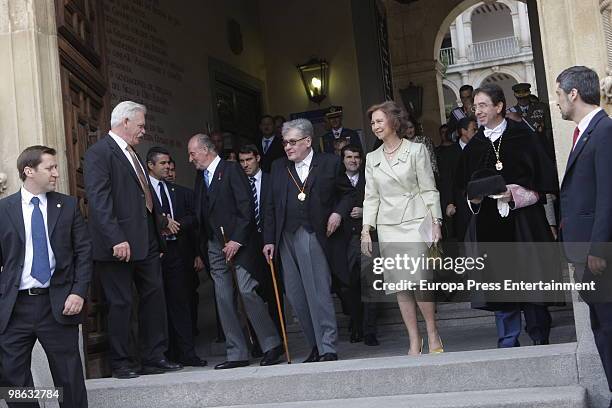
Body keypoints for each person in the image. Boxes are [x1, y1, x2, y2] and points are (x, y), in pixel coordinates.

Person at [83, 101, 182, 379]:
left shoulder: (134, 154)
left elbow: (143, 192)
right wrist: (116, 237)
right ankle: (122, 362)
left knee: (154, 298)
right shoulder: (99, 153)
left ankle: (154, 356)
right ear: (124, 122)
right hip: (118, 245)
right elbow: (99, 199)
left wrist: (160, 224)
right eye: (140, 124)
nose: (143, 129)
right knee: (122, 303)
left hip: (147, 241)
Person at [460, 84, 558, 348]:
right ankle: (507, 340)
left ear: (499, 106)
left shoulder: (524, 137)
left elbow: (544, 183)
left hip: (524, 221)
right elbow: (464, 191)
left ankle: (539, 335)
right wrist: (475, 200)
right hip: (490, 223)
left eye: (482, 105)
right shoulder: (473, 148)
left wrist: (514, 195)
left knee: (531, 279)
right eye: (475, 106)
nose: (477, 111)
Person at [0, 146, 91, 407]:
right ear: (29, 171)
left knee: (68, 378)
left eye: (55, 167)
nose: (56, 173)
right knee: (13, 379)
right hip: (14, 307)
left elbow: (84, 253)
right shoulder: (3, 209)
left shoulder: (68, 205)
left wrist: (78, 292)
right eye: (49, 168)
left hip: (58, 302)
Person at [188, 133, 283, 369]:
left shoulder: (231, 170)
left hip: (239, 244)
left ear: (206, 150)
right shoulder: (200, 177)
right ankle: (236, 353)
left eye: (192, 153)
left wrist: (237, 240)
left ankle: (272, 345)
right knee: (222, 297)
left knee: (247, 290)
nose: (190, 159)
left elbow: (246, 207)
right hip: (213, 245)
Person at [262, 118, 354, 362]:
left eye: (293, 142)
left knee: (317, 291)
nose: (288, 147)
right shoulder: (279, 167)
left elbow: (348, 195)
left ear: (308, 141)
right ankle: (314, 345)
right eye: (285, 143)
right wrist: (269, 239)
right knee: (295, 295)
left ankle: (327, 346)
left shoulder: (329, 163)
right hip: (284, 237)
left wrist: (337, 213)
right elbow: (269, 206)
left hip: (313, 234)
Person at [361, 100, 444, 355]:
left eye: (379, 121)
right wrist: (366, 229)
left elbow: (429, 189)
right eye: (372, 122)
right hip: (388, 226)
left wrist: (436, 222)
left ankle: (432, 332)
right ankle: (413, 339)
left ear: (394, 122)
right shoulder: (372, 158)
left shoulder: (416, 150)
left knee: (420, 280)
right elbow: (371, 196)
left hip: (416, 221)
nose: (375, 126)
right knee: (400, 285)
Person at [556, 66, 612, 402]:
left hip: (599, 255)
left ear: (574, 93)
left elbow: (608, 196)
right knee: (601, 328)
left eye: (559, 93)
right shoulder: (585, 132)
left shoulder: (604, 132)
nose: (557, 101)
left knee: (608, 327)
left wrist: (598, 249)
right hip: (585, 253)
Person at [146, 147, 207, 367]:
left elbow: (194, 218)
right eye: (162, 164)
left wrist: (176, 226)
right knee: (156, 305)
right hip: (153, 254)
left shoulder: (177, 191)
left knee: (180, 303)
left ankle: (187, 353)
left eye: (169, 163)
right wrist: (162, 224)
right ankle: (162, 353)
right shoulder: (143, 191)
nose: (167, 167)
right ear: (150, 166)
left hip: (177, 254)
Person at [237, 144, 283, 338]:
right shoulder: (238, 184)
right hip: (248, 245)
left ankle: (280, 338)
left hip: (271, 242)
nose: (245, 164)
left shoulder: (272, 180)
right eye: (241, 161)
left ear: (258, 158)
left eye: (249, 160)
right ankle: (259, 340)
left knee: (274, 293)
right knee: (250, 294)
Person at [338, 144, 379, 346]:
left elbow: (381, 202)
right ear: (342, 159)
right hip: (345, 241)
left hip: (368, 237)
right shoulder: (336, 181)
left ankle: (370, 330)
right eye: (349, 157)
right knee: (349, 286)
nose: (353, 160)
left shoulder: (370, 179)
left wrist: (366, 213)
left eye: (356, 157)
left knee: (370, 283)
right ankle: (356, 325)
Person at [166, 158, 203, 337]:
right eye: (166, 168)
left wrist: (198, 254)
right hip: (164, 254)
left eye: (173, 169)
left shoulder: (186, 193)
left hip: (186, 253)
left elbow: (196, 224)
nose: (169, 172)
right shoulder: (151, 194)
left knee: (190, 294)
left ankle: (193, 331)